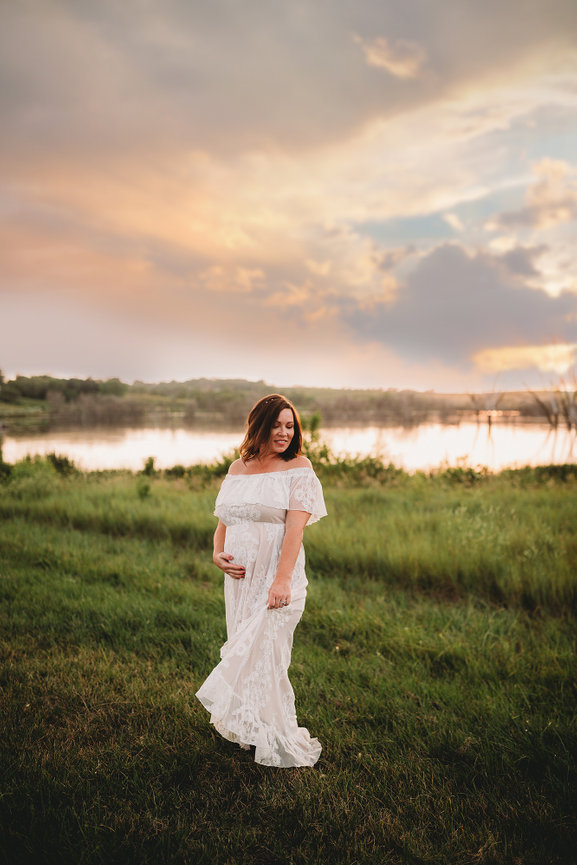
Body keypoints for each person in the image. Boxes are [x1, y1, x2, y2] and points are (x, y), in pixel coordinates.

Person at [195, 394, 327, 767]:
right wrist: (217, 552)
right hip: (239, 579)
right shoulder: (239, 467)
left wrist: (282, 581)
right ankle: (247, 727)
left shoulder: (299, 467)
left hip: (276, 576)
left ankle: (272, 732)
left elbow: (295, 531)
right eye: (277, 425)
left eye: (290, 426)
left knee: (266, 652)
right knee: (244, 646)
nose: (284, 433)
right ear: (259, 425)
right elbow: (224, 520)